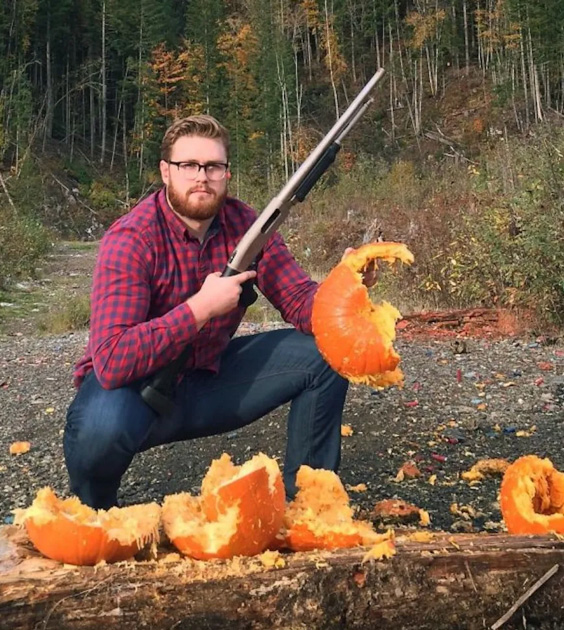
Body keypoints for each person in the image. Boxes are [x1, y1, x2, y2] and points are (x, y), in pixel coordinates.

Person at [64, 114, 366, 510]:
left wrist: (347, 287)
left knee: (326, 355)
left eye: (213, 166)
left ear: (226, 173)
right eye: (188, 165)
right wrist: (198, 309)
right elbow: (113, 360)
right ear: (165, 172)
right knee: (97, 433)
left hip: (208, 383)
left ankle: (309, 508)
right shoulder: (131, 238)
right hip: (135, 391)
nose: (201, 177)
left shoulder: (247, 225)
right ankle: (97, 512)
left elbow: (301, 302)